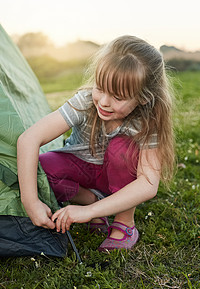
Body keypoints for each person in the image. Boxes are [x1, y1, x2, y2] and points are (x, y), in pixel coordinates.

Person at [17, 35, 175, 251]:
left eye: (118, 97)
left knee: (123, 150)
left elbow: (148, 184)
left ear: (143, 98)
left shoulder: (147, 122)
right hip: (83, 169)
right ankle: (92, 201)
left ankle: (124, 223)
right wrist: (31, 202)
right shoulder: (84, 103)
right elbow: (28, 139)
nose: (103, 102)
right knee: (40, 168)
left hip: (121, 178)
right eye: (100, 88)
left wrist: (87, 214)